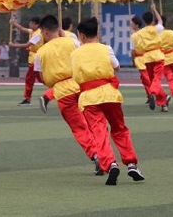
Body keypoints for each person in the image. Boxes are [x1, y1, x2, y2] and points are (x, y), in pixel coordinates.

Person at [71, 17, 145, 186]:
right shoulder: (106, 48)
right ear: (97, 32)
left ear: (81, 35)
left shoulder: (75, 53)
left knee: (99, 132)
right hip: (109, 94)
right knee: (119, 128)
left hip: (89, 97)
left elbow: (75, 76)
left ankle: (110, 163)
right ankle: (131, 164)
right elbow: (116, 66)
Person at [35, 15, 100, 175]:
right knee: (94, 122)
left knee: (79, 128)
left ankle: (95, 154)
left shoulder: (40, 53)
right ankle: (104, 153)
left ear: (45, 32)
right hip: (81, 85)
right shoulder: (73, 42)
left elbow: (41, 78)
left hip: (62, 92)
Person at [131, 4, 169, 112]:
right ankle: (152, 93)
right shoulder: (157, 28)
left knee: (153, 80)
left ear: (143, 21)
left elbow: (137, 46)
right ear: (152, 20)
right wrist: (154, 9)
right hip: (158, 56)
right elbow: (160, 21)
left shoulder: (139, 33)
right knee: (157, 79)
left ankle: (163, 103)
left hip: (147, 57)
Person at [39, 17, 79, 114]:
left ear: (45, 32)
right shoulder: (72, 39)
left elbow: (42, 77)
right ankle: (48, 95)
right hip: (77, 83)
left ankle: (48, 95)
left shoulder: (40, 51)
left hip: (61, 89)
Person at [9, 16, 44, 105]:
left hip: (36, 59)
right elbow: (22, 29)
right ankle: (56, 89)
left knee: (29, 79)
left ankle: (27, 99)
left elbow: (26, 45)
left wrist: (13, 45)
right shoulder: (33, 31)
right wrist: (14, 23)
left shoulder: (37, 34)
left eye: (31, 23)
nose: (29, 25)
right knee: (41, 79)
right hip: (34, 58)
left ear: (37, 25)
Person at [129, 16, 151, 102]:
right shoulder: (144, 33)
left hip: (140, 58)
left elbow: (132, 51)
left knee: (146, 78)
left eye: (132, 23)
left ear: (136, 25)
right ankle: (149, 95)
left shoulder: (134, 36)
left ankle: (156, 94)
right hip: (149, 57)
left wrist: (133, 59)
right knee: (145, 78)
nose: (131, 25)